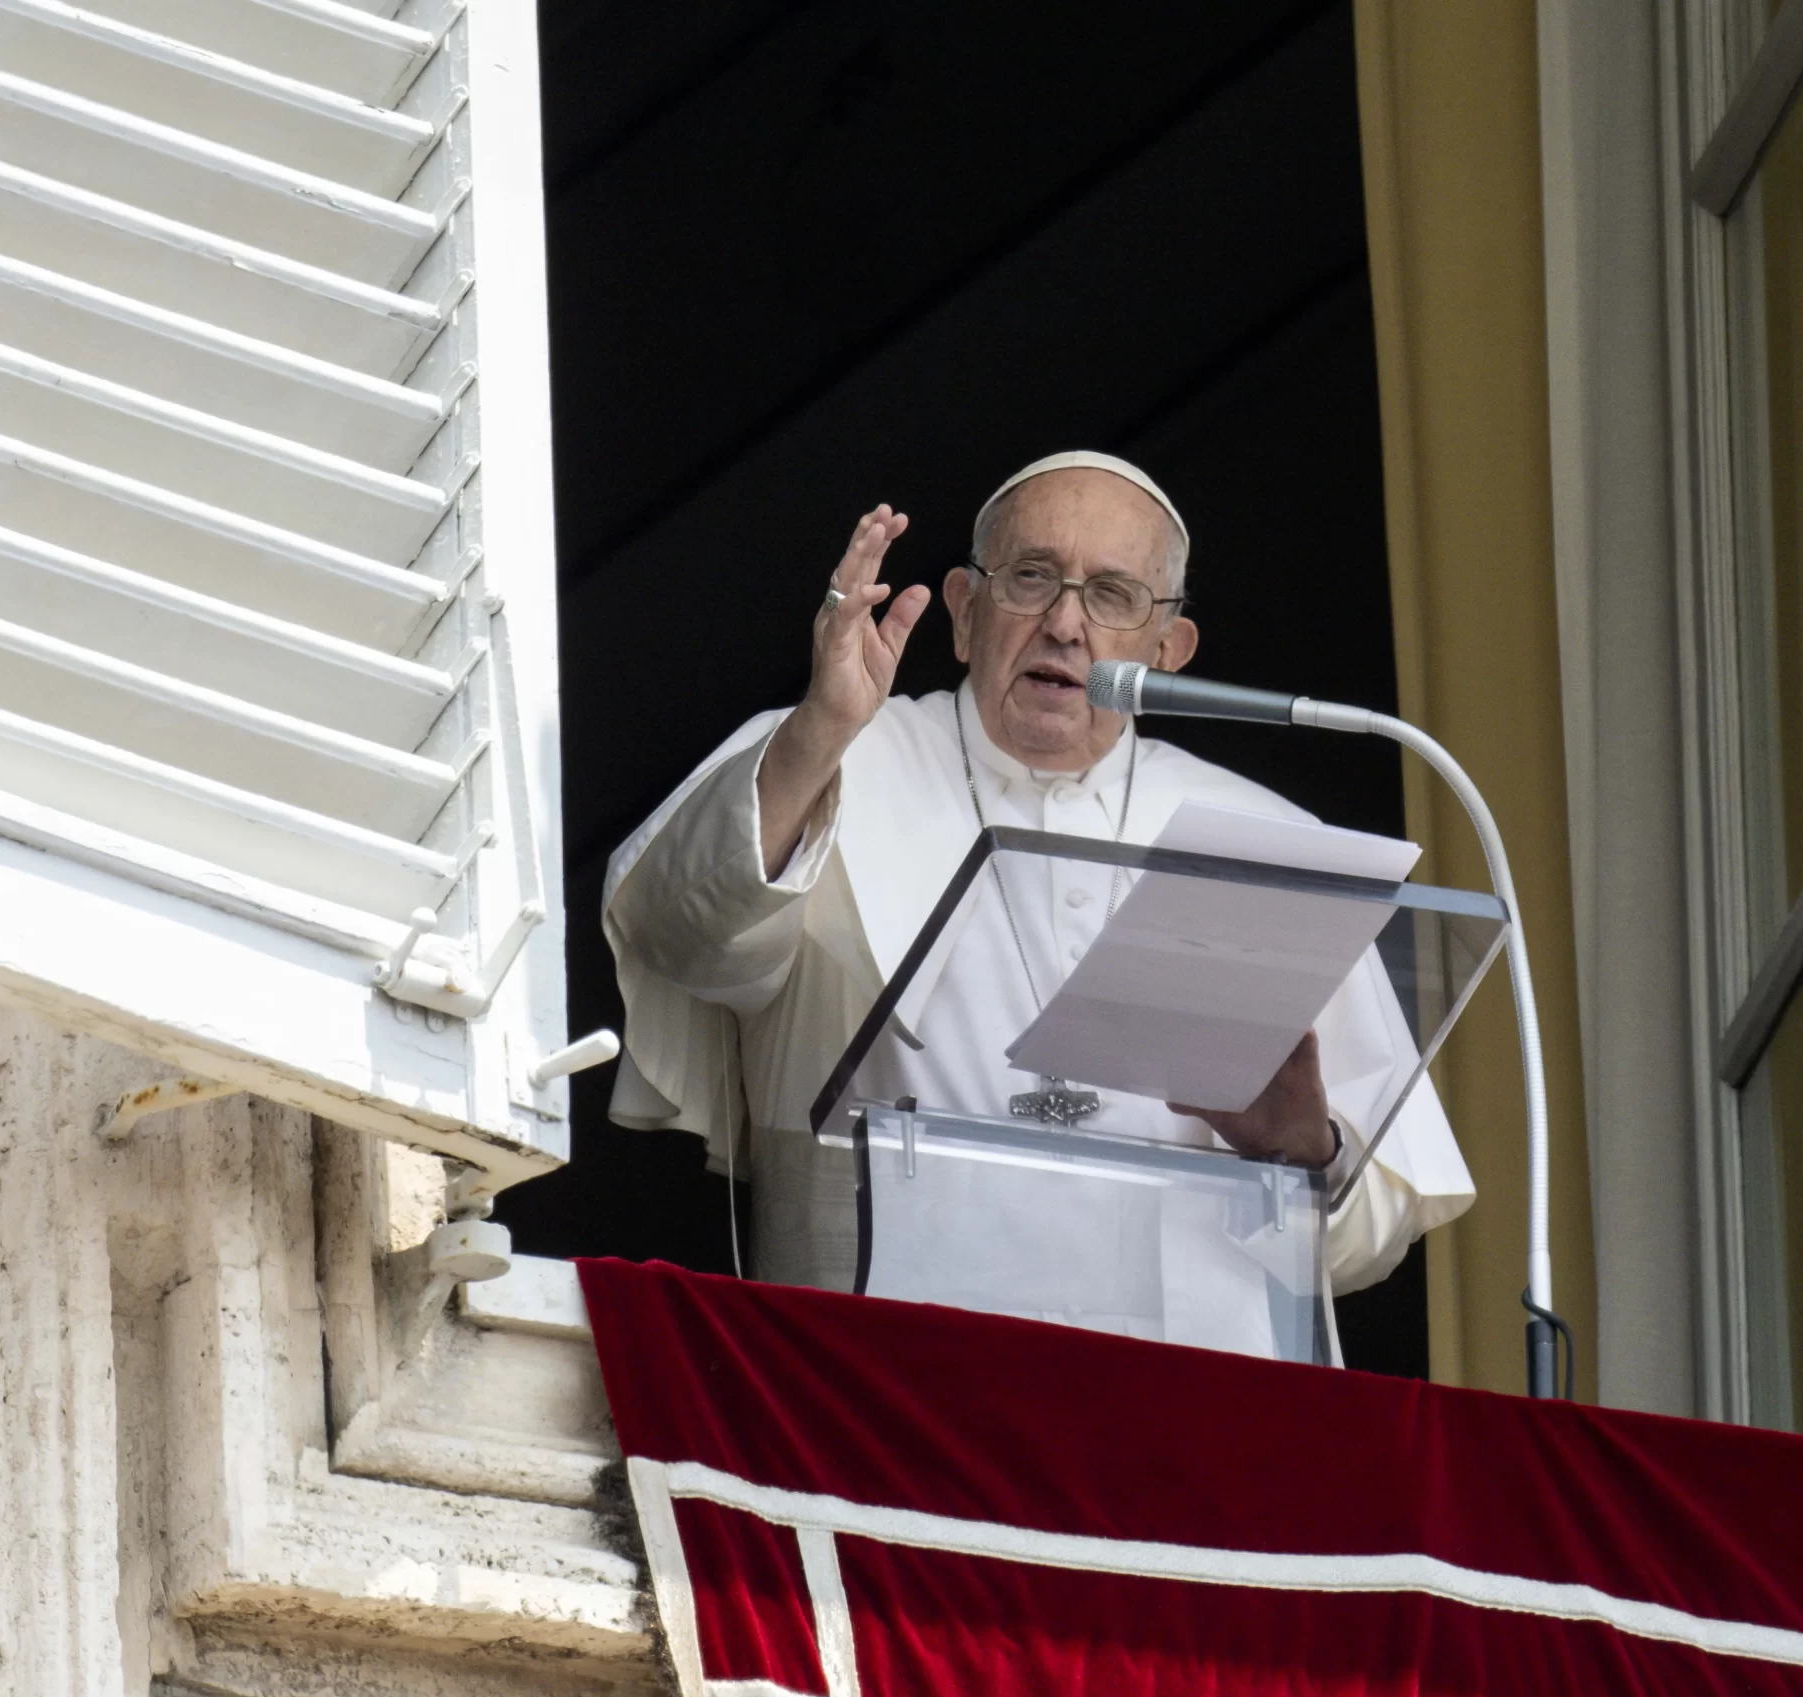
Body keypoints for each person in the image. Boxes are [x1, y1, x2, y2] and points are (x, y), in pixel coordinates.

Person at [602, 452, 1473, 1343]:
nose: (1065, 622)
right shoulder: (827, 760)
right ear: (965, 613)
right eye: (1031, 577)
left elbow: (1379, 1233)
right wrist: (818, 728)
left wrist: (1297, 1149)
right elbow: (688, 938)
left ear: (1167, 651)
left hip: (1182, 1422)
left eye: (1112, 595)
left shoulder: (1266, 841)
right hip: (876, 1388)